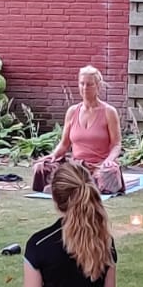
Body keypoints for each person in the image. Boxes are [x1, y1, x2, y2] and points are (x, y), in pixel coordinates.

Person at [32, 65, 124, 195]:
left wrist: (109, 160)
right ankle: (80, 185)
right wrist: (54, 155)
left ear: (98, 86)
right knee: (42, 167)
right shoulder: (72, 111)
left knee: (109, 173)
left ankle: (74, 186)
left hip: (99, 166)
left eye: (89, 84)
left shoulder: (109, 112)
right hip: (76, 166)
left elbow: (116, 144)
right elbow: (64, 144)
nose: (85, 88)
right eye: (82, 84)